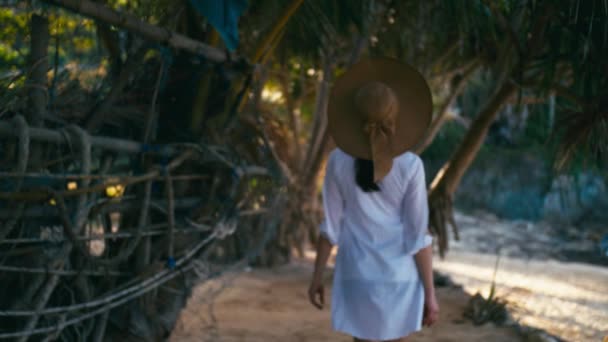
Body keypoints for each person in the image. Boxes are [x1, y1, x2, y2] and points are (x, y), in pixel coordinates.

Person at [308, 57, 439, 342]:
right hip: (398, 279)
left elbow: (330, 227)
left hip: (356, 275)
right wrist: (430, 294)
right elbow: (418, 236)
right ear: (397, 117)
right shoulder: (410, 165)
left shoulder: (337, 162)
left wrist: (317, 277)